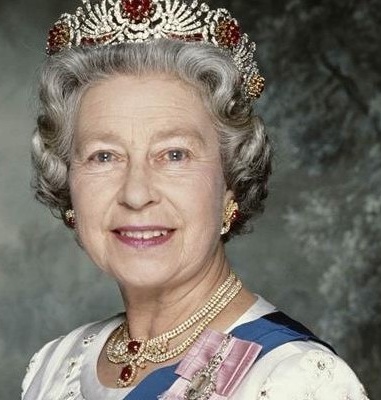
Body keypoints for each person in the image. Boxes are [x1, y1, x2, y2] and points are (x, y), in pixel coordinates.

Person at [21, 0, 370, 399]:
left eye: (174, 155)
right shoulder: (53, 367)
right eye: (104, 156)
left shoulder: (297, 379)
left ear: (231, 182)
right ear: (68, 184)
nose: (136, 194)